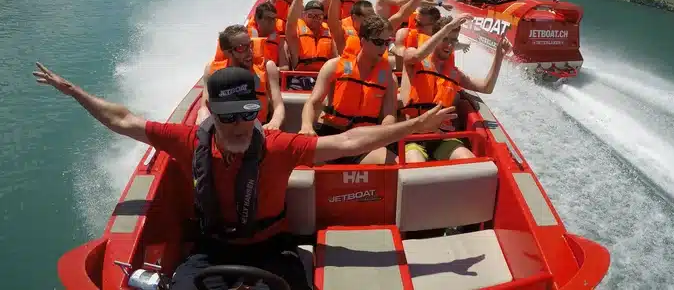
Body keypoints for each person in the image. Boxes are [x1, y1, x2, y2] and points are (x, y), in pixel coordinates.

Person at [33, 63, 455, 290]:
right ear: (210, 114)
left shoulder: (280, 146)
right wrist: (77, 94)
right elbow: (124, 119)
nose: (239, 125)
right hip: (210, 250)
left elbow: (349, 142)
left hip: (273, 250)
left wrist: (409, 129)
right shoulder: (186, 142)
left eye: (248, 115)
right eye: (228, 117)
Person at [399, 14, 511, 163]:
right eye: (445, 39)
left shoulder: (454, 73)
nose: (449, 45)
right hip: (414, 137)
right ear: (435, 37)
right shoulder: (412, 56)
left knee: (470, 162)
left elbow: (486, 87)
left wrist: (499, 56)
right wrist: (448, 27)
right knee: (416, 165)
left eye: (453, 40)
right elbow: (417, 56)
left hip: (443, 138)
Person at [298, 15, 399, 165]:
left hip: (364, 140)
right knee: (301, 160)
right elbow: (313, 102)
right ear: (363, 41)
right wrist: (306, 126)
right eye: (378, 42)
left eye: (387, 42)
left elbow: (389, 114)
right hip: (331, 134)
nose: (383, 48)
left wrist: (382, 133)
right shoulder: (333, 66)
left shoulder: (390, 78)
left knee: (394, 163)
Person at [196, 25, 285, 130]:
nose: (250, 52)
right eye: (242, 48)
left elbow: (279, 105)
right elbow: (204, 107)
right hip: (224, 129)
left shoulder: (268, 67)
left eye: (250, 45)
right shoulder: (212, 70)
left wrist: (274, 122)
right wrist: (203, 119)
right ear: (228, 52)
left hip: (258, 129)